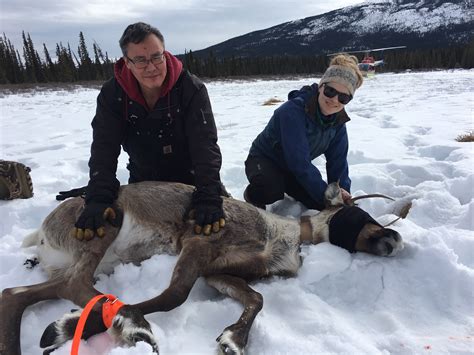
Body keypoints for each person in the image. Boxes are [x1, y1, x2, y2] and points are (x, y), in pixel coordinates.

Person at [60, 22, 225, 240]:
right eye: (140, 60)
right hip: (144, 181)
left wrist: (209, 196)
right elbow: (104, 147)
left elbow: (205, 145)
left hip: (193, 181)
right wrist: (99, 196)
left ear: (165, 55)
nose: (151, 67)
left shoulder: (190, 89)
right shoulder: (113, 94)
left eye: (157, 56)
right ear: (127, 63)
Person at [243, 54, 364, 211]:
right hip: (264, 160)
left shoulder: (338, 123)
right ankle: (252, 195)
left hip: (292, 170)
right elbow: (299, 162)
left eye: (343, 97)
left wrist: (342, 192)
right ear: (321, 87)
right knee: (270, 191)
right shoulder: (292, 112)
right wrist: (329, 196)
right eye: (330, 91)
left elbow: (338, 163)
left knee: (322, 204)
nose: (335, 100)